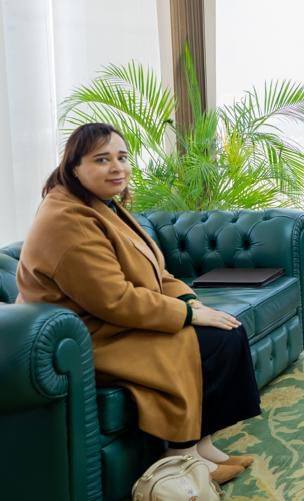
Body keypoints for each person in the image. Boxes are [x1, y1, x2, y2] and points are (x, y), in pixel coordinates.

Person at [16, 123, 260, 485]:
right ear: (74, 167)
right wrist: (187, 315)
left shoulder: (102, 205)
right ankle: (181, 455)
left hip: (118, 321)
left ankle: (203, 446)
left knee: (227, 331)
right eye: (102, 159)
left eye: (122, 157)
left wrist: (191, 302)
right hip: (90, 336)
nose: (117, 167)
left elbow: (156, 271)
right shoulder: (65, 220)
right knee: (198, 342)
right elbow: (114, 300)